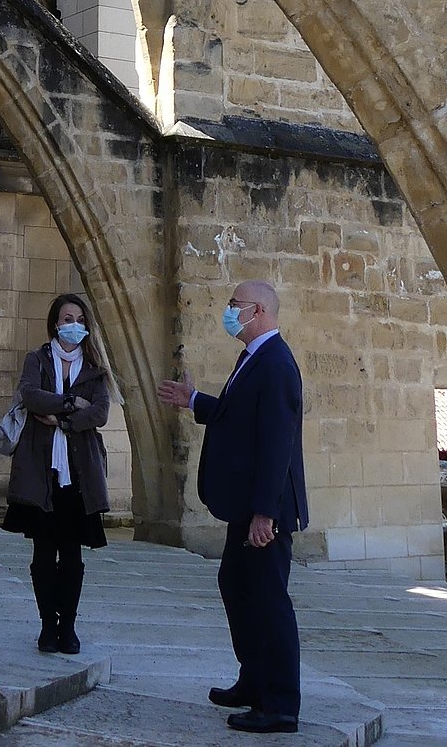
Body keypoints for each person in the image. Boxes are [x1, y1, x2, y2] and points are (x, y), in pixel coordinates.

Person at [157, 280, 308, 737]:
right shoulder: (253, 358)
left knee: (268, 600)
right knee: (236, 587)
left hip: (265, 509)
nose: (228, 312)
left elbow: (278, 444)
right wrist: (195, 401)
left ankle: (280, 704)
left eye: (234, 305)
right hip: (246, 505)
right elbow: (241, 417)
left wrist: (265, 513)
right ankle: (253, 679)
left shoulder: (277, 363)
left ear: (257, 310)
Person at [2, 293, 110, 655]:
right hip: (41, 470)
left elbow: (99, 413)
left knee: (73, 554)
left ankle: (69, 626)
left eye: (80, 318)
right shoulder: (38, 359)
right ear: (55, 323)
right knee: (43, 552)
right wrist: (69, 403)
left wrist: (62, 421)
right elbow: (31, 395)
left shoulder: (95, 367)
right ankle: (48, 624)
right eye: (67, 318)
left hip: (79, 473)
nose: (74, 324)